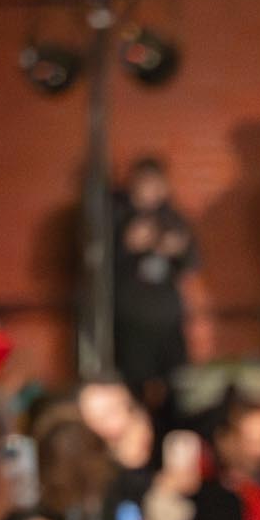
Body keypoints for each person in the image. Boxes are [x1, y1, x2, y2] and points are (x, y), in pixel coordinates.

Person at [111, 156, 199, 424]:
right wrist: (128, 245)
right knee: (133, 389)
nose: (151, 191)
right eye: (145, 184)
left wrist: (176, 249)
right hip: (132, 319)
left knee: (175, 388)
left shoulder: (172, 218)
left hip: (167, 319)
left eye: (156, 185)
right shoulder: (116, 215)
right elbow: (96, 265)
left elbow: (193, 262)